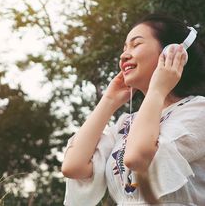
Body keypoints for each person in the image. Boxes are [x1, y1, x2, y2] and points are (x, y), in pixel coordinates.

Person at [61, 13, 205, 205]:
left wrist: (157, 89)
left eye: (136, 44)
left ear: (171, 52)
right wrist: (109, 100)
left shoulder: (198, 111)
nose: (124, 55)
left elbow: (137, 158)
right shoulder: (127, 123)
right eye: (124, 48)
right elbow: (74, 166)